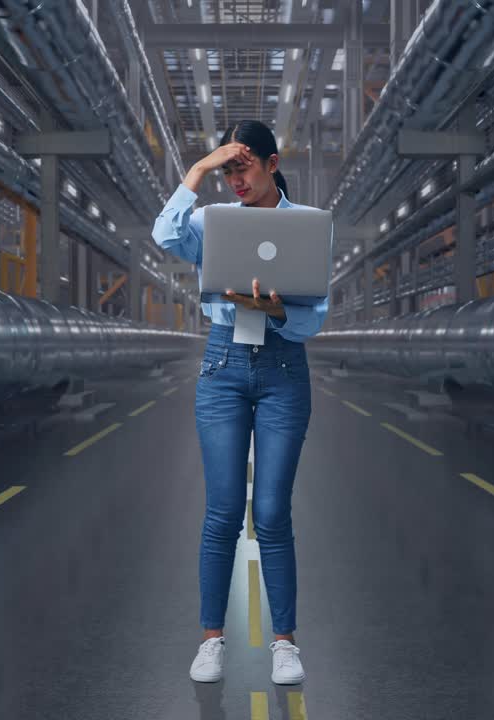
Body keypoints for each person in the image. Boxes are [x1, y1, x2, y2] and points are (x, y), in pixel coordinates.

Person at [150, 120, 330, 685]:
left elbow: (316, 315)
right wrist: (198, 169)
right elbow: (163, 234)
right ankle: (211, 641)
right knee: (223, 511)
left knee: (272, 513)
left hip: (282, 368)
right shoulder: (209, 221)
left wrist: (280, 313)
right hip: (223, 366)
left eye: (243, 166)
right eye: (228, 170)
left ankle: (284, 643)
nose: (236, 180)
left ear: (272, 164)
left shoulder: (307, 226)